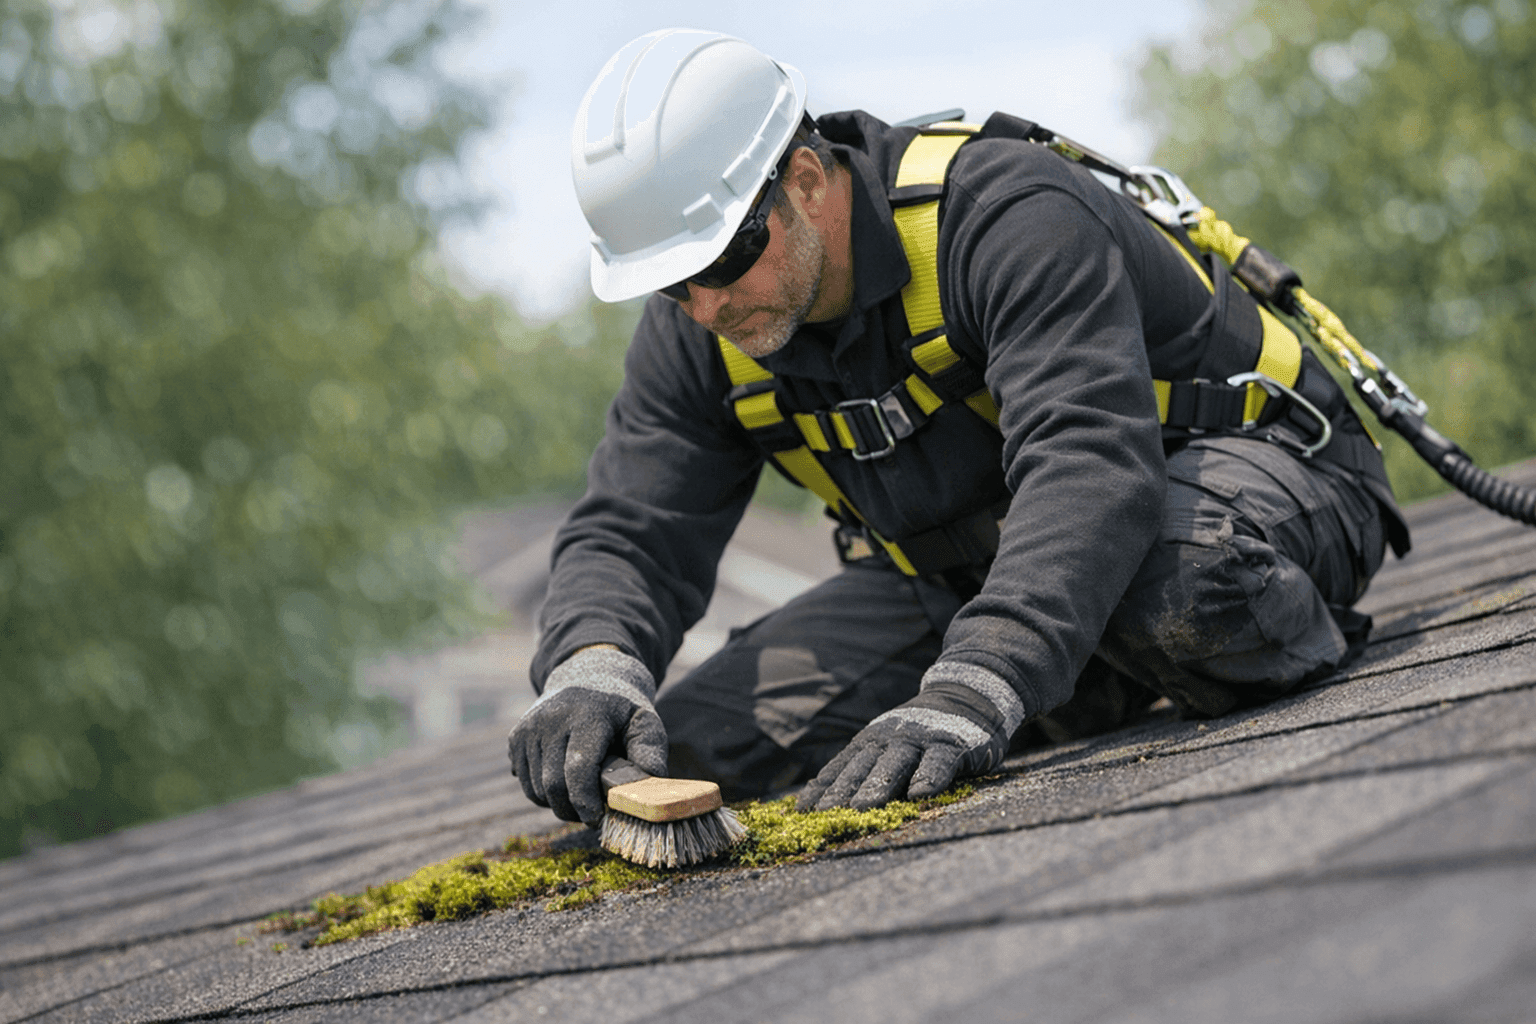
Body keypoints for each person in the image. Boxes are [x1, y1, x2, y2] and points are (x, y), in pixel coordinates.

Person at [507, 29, 1409, 827]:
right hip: (977, 574)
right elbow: (635, 526)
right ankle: (1074, 669)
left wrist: (981, 680)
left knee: (1182, 589)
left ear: (809, 181)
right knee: (684, 755)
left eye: (722, 259)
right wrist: (594, 666)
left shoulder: (1006, 217)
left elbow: (1089, 462)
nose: (703, 304)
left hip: (1251, 488)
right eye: (672, 282)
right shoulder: (705, 326)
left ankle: (1091, 660)